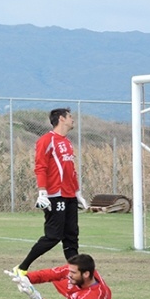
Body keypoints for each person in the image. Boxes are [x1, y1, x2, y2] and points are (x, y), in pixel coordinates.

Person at [13, 107, 89, 275]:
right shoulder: (47, 140)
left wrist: (77, 193)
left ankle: (75, 274)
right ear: (61, 119)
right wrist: (42, 193)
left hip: (69, 196)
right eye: (70, 116)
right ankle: (22, 267)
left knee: (71, 236)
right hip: (55, 195)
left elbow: (71, 171)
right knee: (53, 236)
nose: (73, 119)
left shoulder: (67, 142)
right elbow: (40, 167)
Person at [5, 253, 111, 299]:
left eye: (73, 272)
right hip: (79, 293)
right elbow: (51, 273)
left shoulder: (91, 297)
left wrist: (37, 298)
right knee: (58, 275)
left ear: (86, 274)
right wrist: (26, 278)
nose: (69, 274)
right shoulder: (85, 273)